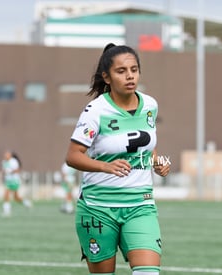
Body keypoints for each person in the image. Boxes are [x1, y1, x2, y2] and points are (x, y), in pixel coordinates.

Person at [65, 43, 170, 275]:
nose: (129, 75)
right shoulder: (96, 110)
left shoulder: (150, 106)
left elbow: (146, 148)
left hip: (140, 205)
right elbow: (72, 156)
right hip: (98, 208)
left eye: (134, 69)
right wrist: (105, 166)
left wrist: (158, 162)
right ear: (107, 77)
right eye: (121, 71)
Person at [1, 150, 32, 217]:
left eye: (7, 154)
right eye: (5, 155)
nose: (5, 156)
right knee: (15, 198)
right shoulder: (4, 162)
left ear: (10, 155)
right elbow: (4, 171)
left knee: (8, 195)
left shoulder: (13, 161)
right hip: (8, 180)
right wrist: (3, 175)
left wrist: (10, 171)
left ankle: (7, 211)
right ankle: (26, 203)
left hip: (14, 180)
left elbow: (17, 170)